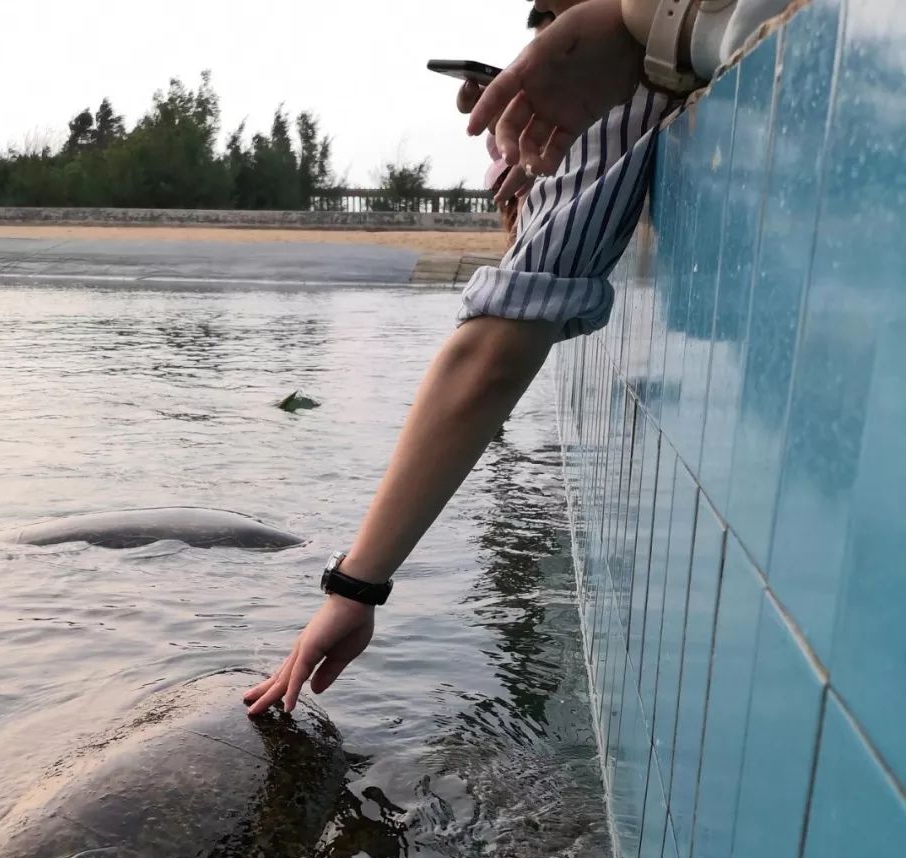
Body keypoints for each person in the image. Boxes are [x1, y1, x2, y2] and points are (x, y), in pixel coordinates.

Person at [244, 0, 797, 718]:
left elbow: (491, 358)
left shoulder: (624, 79)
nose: (529, 145)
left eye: (529, 98)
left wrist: (355, 587)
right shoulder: (621, 61)